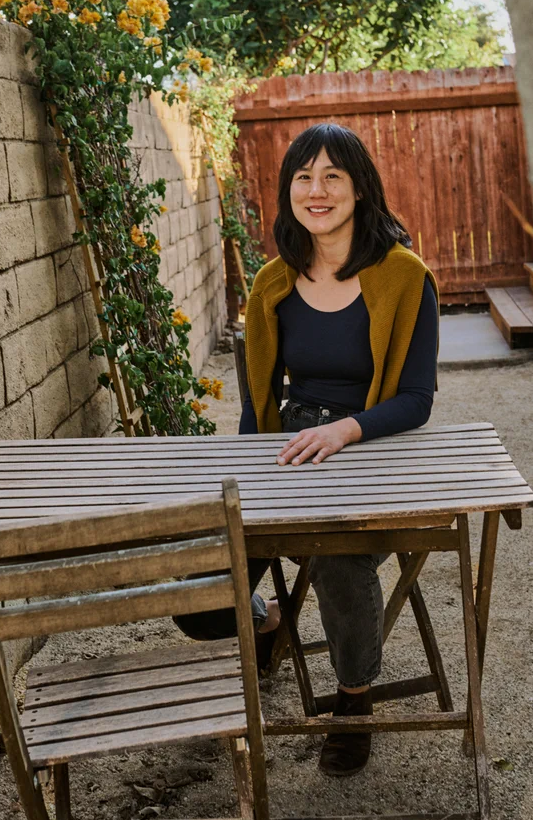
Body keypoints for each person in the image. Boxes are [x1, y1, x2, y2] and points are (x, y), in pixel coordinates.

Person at [176, 122, 438, 776]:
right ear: (288, 190)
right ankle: (267, 624)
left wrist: (343, 431)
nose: (315, 191)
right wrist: (245, 492)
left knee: (339, 560)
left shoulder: (406, 278)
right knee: (201, 597)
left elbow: (416, 399)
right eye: (302, 177)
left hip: (372, 446)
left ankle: (354, 703)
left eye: (332, 177)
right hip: (290, 446)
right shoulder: (273, 283)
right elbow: (256, 406)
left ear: (360, 190)